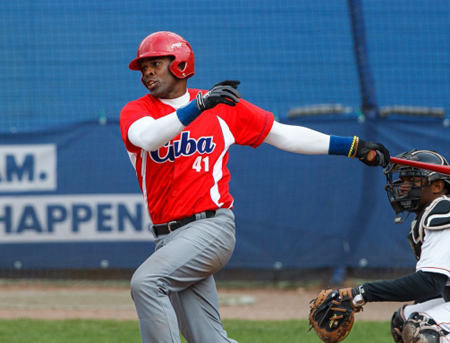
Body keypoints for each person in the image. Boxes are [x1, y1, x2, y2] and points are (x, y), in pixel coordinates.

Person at [119, 31, 390, 343]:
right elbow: (150, 138)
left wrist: (352, 146)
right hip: (168, 241)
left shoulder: (220, 107)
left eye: (155, 63)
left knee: (147, 283)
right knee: (208, 339)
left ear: (179, 63)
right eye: (143, 67)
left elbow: (284, 135)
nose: (147, 72)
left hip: (210, 229)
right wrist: (199, 105)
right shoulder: (138, 111)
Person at [333, 149, 450, 343]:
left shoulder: (443, 213)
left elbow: (429, 282)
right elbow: (430, 289)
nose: (403, 187)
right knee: (402, 322)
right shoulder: (431, 212)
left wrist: (361, 293)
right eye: (402, 180)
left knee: (422, 328)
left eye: (411, 180)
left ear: (437, 186)